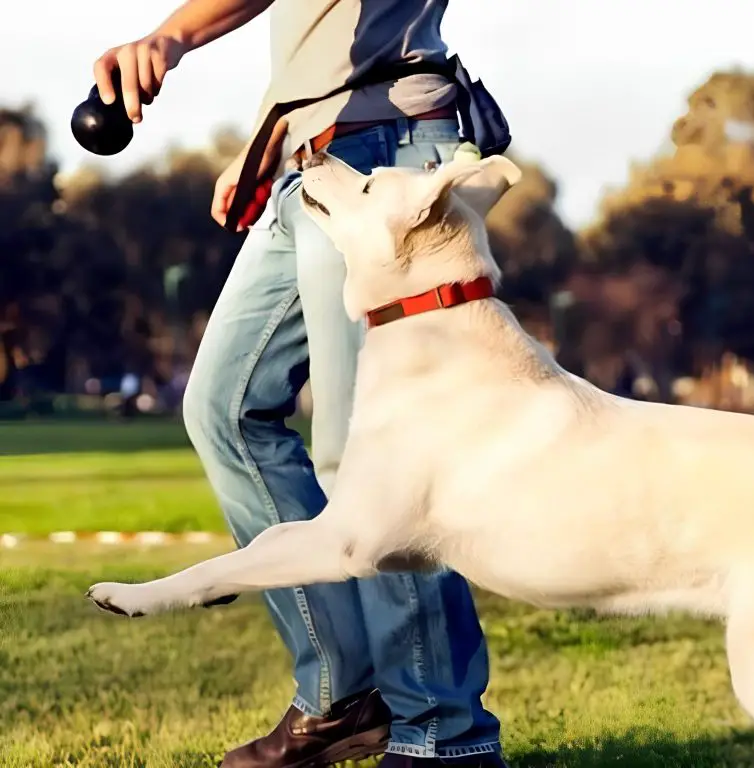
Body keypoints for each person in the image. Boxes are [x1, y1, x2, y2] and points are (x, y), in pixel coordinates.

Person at [92, 2, 506, 767]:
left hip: (386, 162)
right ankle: (345, 695)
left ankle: (444, 733)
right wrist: (272, 135)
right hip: (311, 163)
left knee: (373, 466)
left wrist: (172, 36)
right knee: (225, 409)